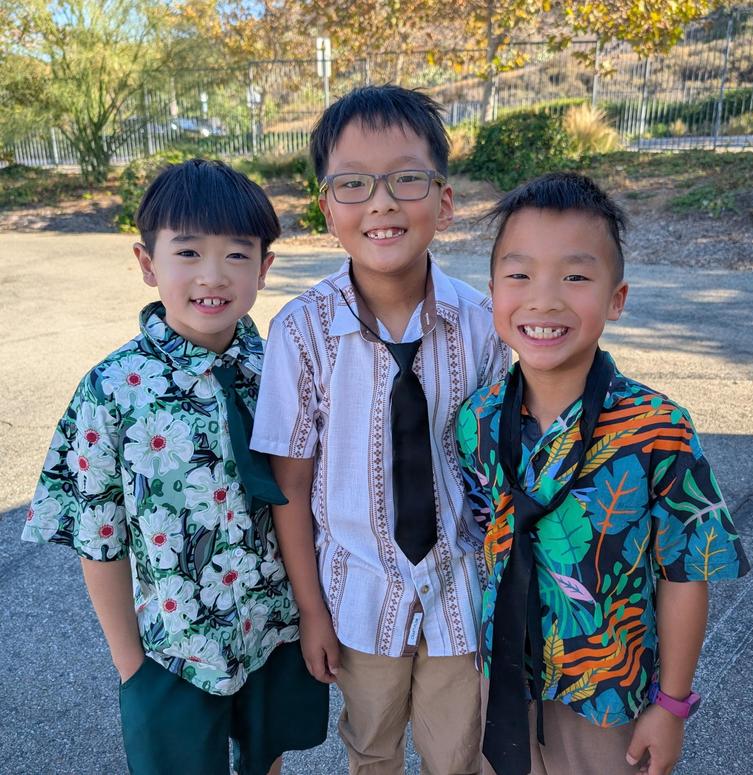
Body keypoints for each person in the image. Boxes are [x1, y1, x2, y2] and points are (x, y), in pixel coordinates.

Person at [21, 158, 328, 775]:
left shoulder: (279, 370)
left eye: (237, 254)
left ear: (264, 268)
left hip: (274, 628)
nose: (212, 275)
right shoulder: (113, 389)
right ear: (147, 263)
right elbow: (98, 537)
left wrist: (314, 612)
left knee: (267, 757)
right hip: (173, 649)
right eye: (187, 252)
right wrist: (130, 665)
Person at [251, 85, 509, 775]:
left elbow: (497, 468)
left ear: (444, 202)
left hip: (460, 588)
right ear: (327, 208)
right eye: (354, 183)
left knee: (459, 754)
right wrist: (312, 610)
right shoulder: (301, 332)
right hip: (358, 597)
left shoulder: (484, 326)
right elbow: (290, 486)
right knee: (371, 750)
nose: (382, 202)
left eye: (406, 179)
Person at [456, 172, 750, 775]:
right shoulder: (476, 419)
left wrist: (671, 705)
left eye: (575, 276)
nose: (544, 299)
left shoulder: (659, 427)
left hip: (609, 697)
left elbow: (686, 574)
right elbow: (488, 536)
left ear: (616, 299)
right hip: (504, 680)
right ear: (492, 293)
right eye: (519, 275)